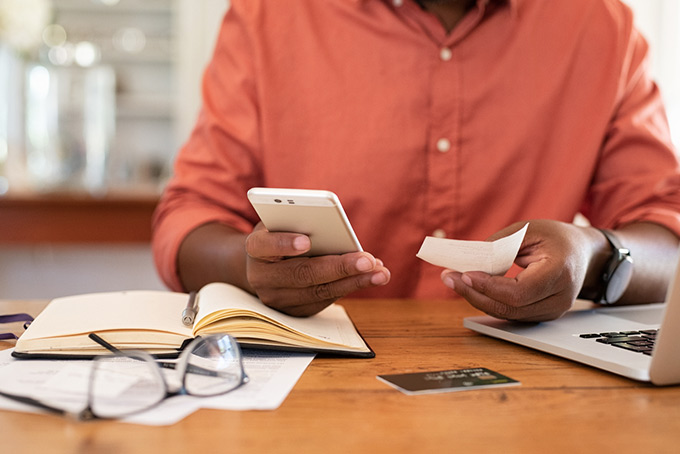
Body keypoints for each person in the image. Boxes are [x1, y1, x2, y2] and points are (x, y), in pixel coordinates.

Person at [152, 0, 680, 321]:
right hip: (314, 381)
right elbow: (188, 217)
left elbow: (667, 236)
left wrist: (593, 258)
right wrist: (249, 267)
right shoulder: (267, 17)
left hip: (529, 385)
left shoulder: (603, 28)